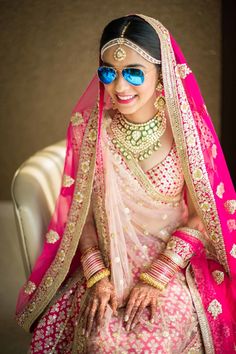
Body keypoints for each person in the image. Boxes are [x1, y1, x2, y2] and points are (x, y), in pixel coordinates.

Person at [16, 14, 236, 354]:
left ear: (161, 74)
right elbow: (83, 217)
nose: (119, 87)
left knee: (150, 344)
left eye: (134, 72)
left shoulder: (186, 132)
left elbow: (200, 217)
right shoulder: (91, 129)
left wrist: (157, 276)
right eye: (109, 72)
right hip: (106, 265)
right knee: (100, 340)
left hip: (171, 269)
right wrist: (97, 277)